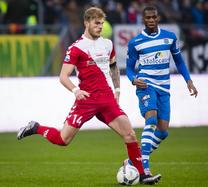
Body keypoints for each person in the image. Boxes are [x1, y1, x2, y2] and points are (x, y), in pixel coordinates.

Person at [17, 7, 161, 185]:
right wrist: (76, 91)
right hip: (86, 100)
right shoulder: (76, 48)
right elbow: (63, 76)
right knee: (63, 139)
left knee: (130, 134)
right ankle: (36, 128)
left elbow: (113, 67)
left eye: (101, 23)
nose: (100, 27)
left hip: (107, 98)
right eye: (96, 23)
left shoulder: (107, 44)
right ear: (87, 23)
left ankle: (143, 175)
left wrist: (117, 91)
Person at [126, 5, 198, 176]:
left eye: (153, 17)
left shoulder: (170, 38)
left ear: (158, 18)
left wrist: (188, 81)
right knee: (151, 121)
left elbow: (179, 62)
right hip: (146, 85)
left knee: (163, 131)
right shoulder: (135, 42)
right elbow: (129, 68)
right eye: (147, 18)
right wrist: (133, 79)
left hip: (164, 87)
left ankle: (132, 161)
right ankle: (145, 169)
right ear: (143, 20)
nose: (151, 20)